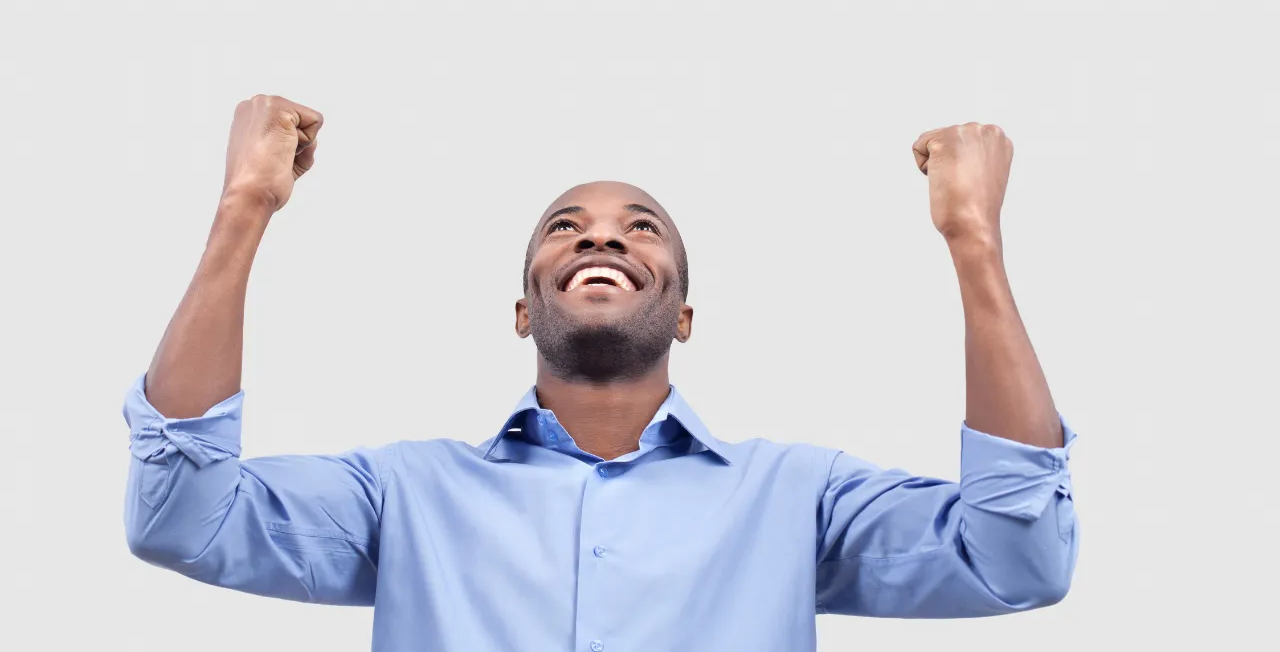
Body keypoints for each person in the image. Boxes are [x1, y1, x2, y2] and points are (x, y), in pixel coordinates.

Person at [122, 95, 1078, 651]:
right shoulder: (401, 497)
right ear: (524, 311)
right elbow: (180, 520)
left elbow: (1016, 560)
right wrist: (244, 209)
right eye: (566, 227)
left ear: (686, 316)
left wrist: (973, 243)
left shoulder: (799, 500)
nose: (604, 233)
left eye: (639, 227)